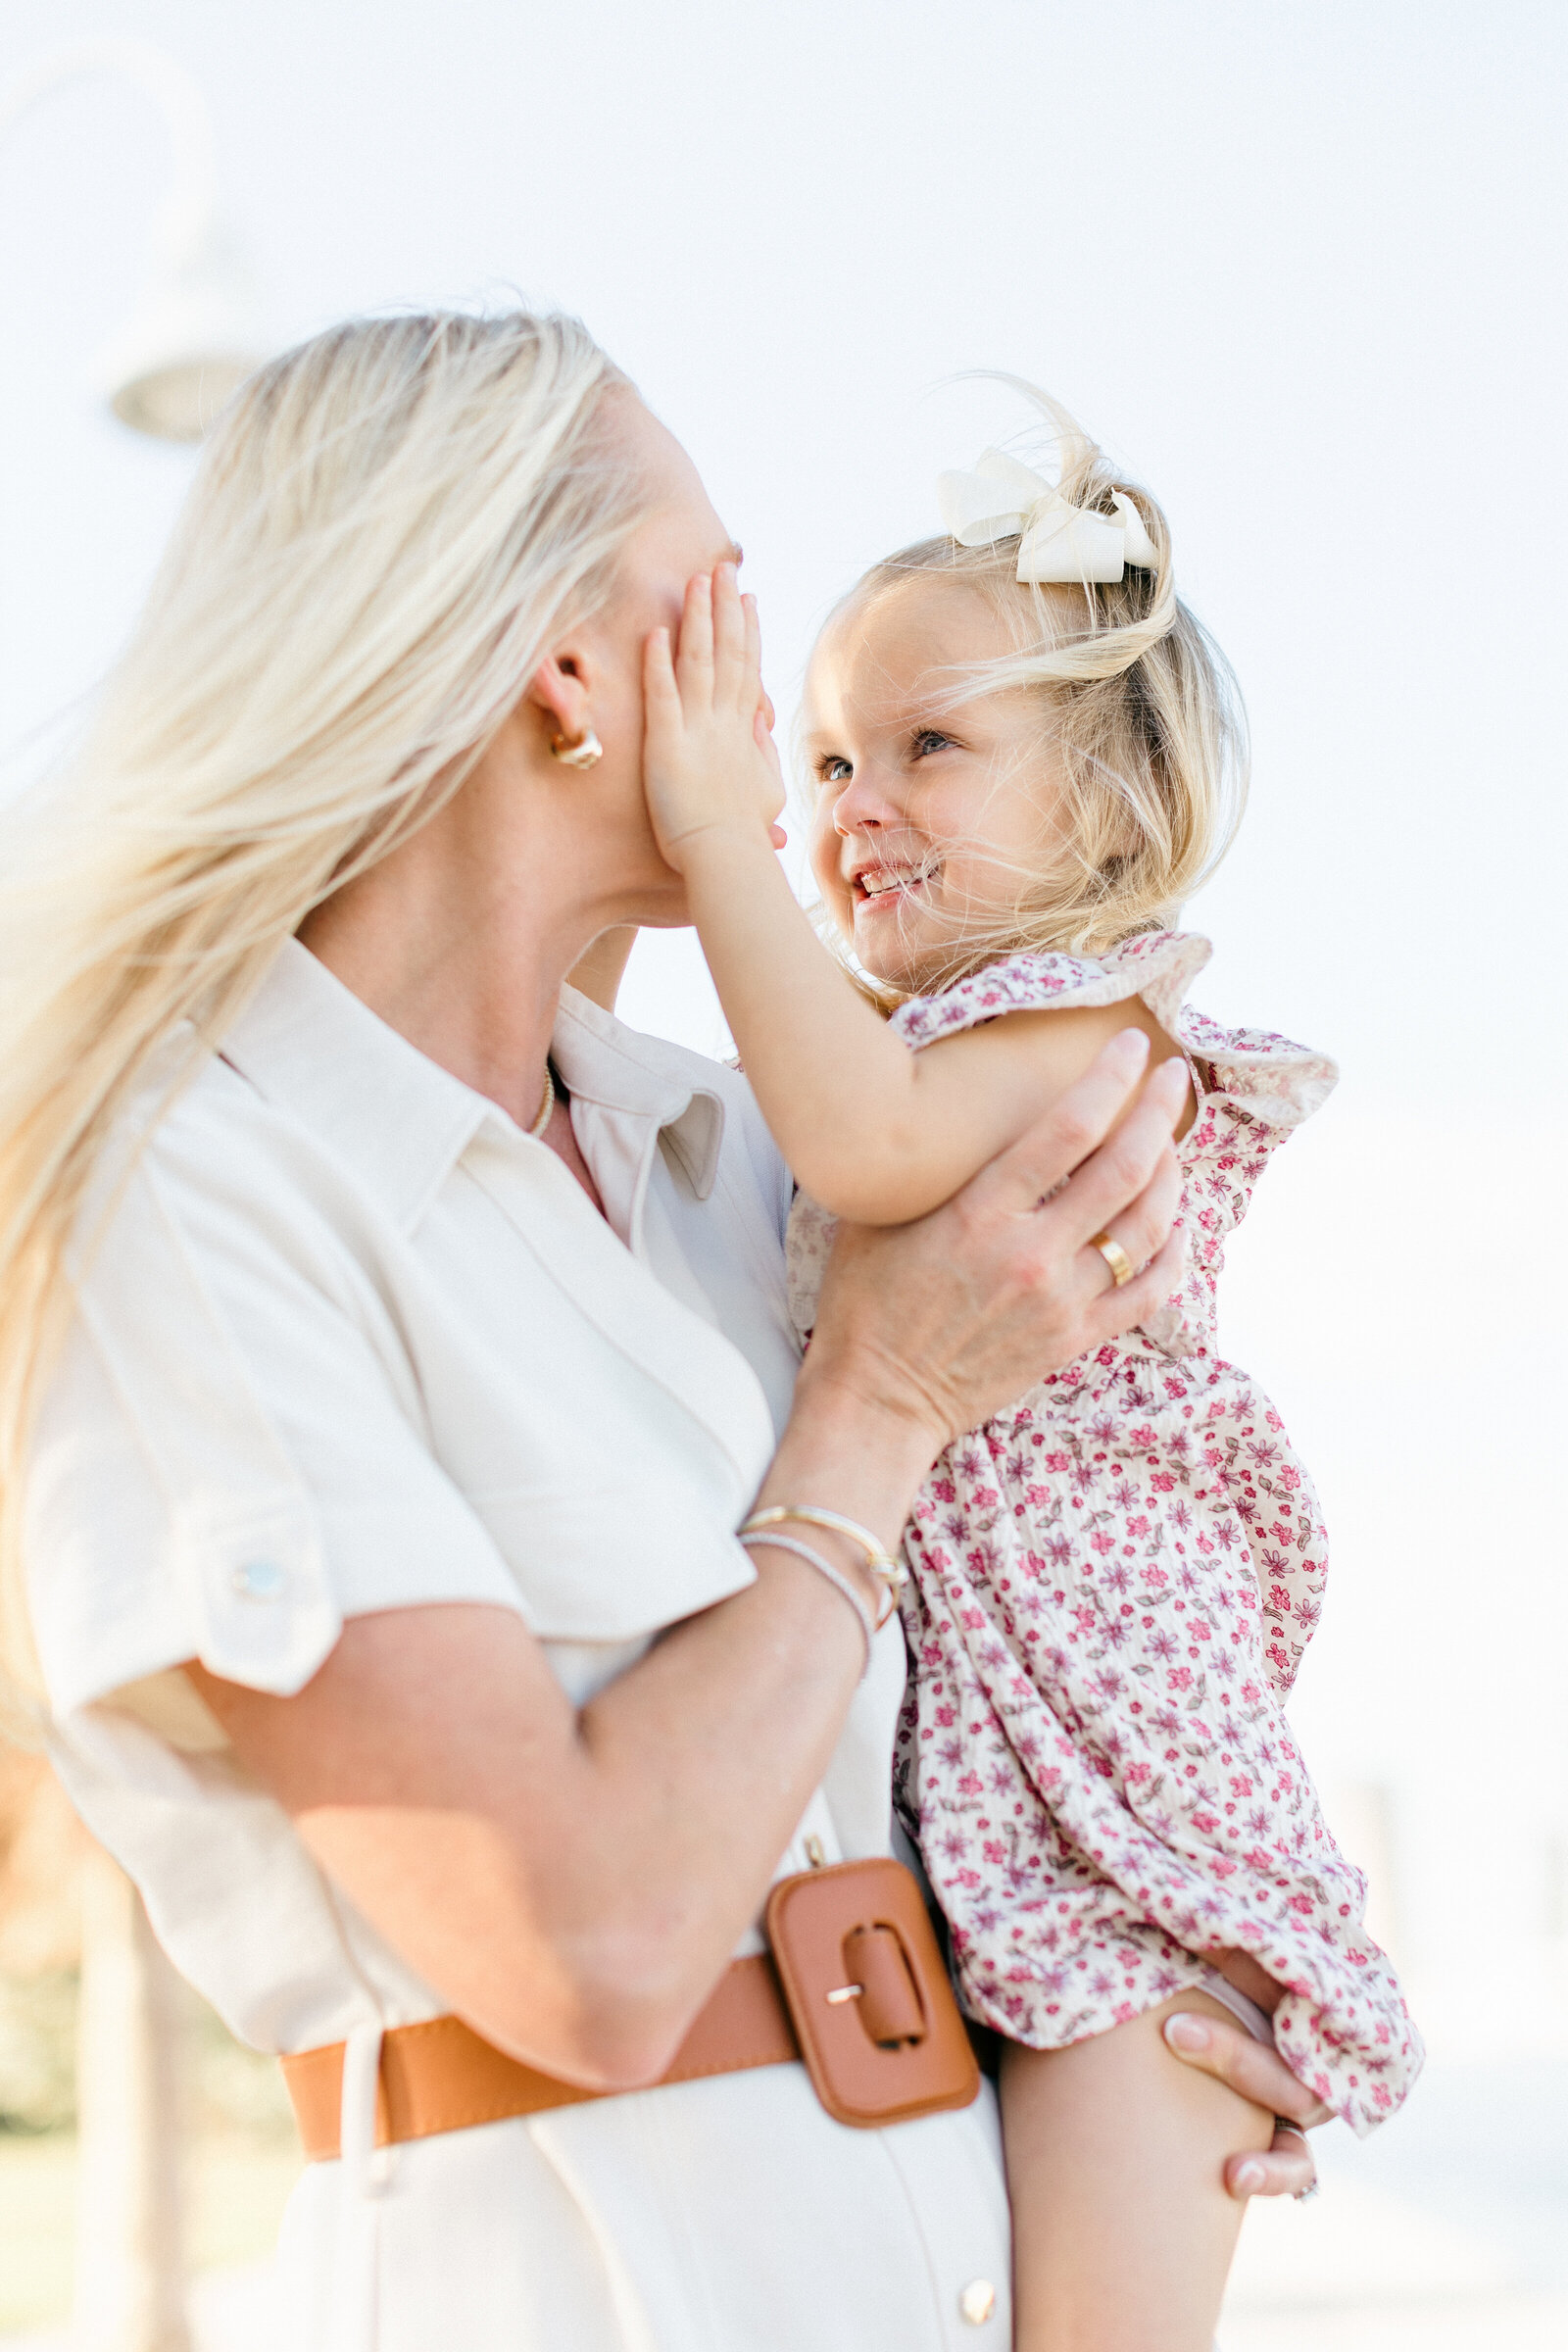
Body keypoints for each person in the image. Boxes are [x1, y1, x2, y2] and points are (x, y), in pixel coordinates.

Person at [0, 315, 1323, 2352]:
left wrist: (1164, 1993)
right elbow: (592, 1950)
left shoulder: (750, 1177)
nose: (786, 697)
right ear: (563, 669)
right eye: (715, 593)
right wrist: (880, 1405)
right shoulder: (189, 1195)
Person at [640, 388, 1422, 2350]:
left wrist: (713, 842)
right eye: (824, 761)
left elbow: (855, 1146)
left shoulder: (1084, 1016)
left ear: (1106, 809)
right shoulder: (930, 1037)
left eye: (930, 746)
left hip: (1126, 1843)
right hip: (1001, 1802)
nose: (851, 805)